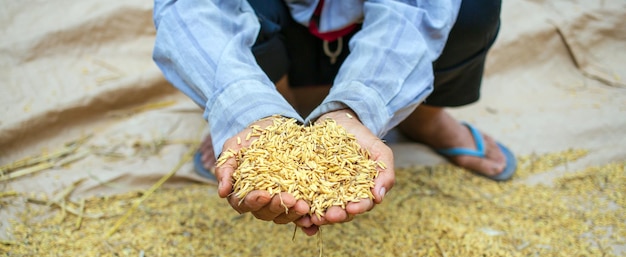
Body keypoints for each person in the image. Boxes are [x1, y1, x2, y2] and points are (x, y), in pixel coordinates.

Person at [152, 0, 516, 236]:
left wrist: (359, 107)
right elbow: (191, 10)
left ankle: (423, 116)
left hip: (374, 28)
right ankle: (271, 108)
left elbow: (417, 8)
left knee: (472, 9)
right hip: (274, 24)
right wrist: (244, 110)